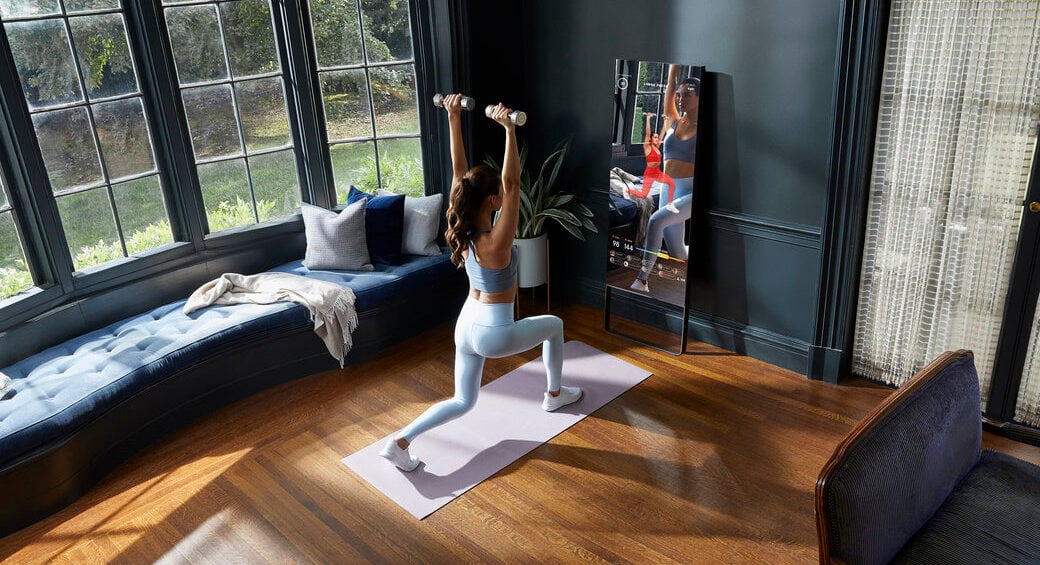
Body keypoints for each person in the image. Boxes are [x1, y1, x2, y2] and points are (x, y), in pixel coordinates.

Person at [379, 94, 583, 472]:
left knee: (462, 400)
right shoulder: (496, 241)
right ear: (492, 200)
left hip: (466, 323)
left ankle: (399, 442)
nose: (505, 196)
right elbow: (512, 181)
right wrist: (509, 130)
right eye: (499, 196)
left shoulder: (464, 225)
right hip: (494, 330)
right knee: (555, 326)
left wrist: (453, 117)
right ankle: (554, 394)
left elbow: (460, 173)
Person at [630, 65, 699, 293]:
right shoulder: (674, 120)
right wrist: (673, 69)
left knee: (655, 221)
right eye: (679, 95)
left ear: (699, 98)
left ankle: (641, 281)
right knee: (678, 253)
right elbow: (670, 87)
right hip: (668, 187)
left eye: (687, 95)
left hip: (690, 192)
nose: (680, 99)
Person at [629, 113, 678, 214]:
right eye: (655, 137)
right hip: (650, 173)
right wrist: (648, 119)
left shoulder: (656, 147)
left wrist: (665, 120)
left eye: (657, 137)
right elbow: (647, 133)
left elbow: (663, 132)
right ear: (650, 139)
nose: (657, 139)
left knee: (672, 183)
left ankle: (670, 205)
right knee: (643, 195)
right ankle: (627, 191)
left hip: (657, 173)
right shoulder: (647, 147)